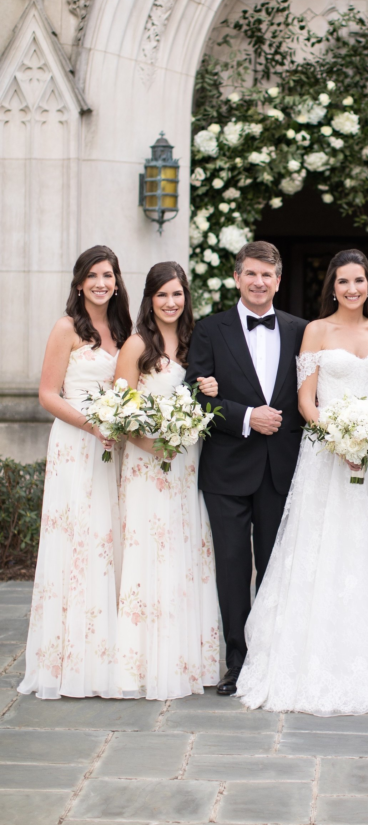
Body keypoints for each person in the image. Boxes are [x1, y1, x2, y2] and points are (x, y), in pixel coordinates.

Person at [236, 249, 368, 715]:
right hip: (326, 455)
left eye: (360, 281)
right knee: (322, 549)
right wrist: (339, 437)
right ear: (332, 286)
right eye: (344, 282)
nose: (352, 289)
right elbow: (306, 401)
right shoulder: (316, 330)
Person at [185, 241, 307, 695]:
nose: (259, 282)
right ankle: (237, 661)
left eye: (268, 275)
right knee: (233, 567)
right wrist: (243, 416)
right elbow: (195, 394)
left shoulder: (300, 330)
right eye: (251, 274)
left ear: (278, 281)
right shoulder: (210, 330)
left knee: (277, 567)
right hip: (227, 469)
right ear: (237, 277)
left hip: (283, 469)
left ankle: (275, 656)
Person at [19, 245, 131, 699]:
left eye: (109, 275)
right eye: (93, 275)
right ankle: (68, 660)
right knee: (78, 543)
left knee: (109, 540)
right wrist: (93, 425)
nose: (102, 283)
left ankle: (107, 654)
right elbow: (47, 394)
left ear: (117, 281)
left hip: (115, 446)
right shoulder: (66, 328)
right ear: (79, 282)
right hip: (75, 442)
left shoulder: (123, 330)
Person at [113, 262, 220, 700]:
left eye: (177, 294)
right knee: (149, 551)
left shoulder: (198, 342)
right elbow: (118, 412)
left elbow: (208, 395)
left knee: (186, 550)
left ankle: (188, 659)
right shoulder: (138, 344)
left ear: (186, 297)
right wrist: (150, 445)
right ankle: (143, 663)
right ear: (149, 299)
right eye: (162, 295)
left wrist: (210, 389)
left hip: (188, 462)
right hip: (147, 464)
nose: (171, 302)